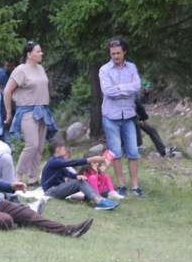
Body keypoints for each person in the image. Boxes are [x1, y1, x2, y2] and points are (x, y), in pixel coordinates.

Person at [0, 133, 94, 237]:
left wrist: (11, 186)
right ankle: (15, 222)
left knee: (30, 214)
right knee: (5, 221)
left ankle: (69, 230)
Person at [3, 41, 58, 187]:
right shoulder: (20, 70)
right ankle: (18, 176)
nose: (41, 53)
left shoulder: (40, 68)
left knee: (39, 146)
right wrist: (9, 113)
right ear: (29, 54)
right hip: (27, 111)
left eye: (41, 51)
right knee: (31, 144)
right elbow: (7, 91)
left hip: (42, 111)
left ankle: (33, 178)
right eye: (38, 51)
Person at [99, 36, 145, 199]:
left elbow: (137, 86)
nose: (116, 56)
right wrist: (127, 88)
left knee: (133, 152)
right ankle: (120, 185)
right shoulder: (104, 70)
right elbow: (107, 92)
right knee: (116, 152)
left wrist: (119, 87)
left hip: (129, 116)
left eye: (118, 53)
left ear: (124, 52)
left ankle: (135, 186)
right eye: (113, 54)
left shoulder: (131, 68)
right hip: (111, 116)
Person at [41, 138, 120, 210]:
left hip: (56, 189)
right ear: (58, 149)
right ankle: (99, 202)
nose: (65, 151)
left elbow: (66, 172)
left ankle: (100, 199)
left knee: (81, 180)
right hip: (50, 191)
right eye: (64, 149)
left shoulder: (57, 161)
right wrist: (91, 159)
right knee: (78, 182)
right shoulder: (54, 161)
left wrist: (77, 176)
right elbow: (73, 162)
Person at [135, 92, 176, 157]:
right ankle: (138, 146)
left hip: (137, 117)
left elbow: (143, 100)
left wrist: (146, 93)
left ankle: (163, 151)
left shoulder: (133, 92)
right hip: (128, 118)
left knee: (151, 129)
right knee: (137, 126)